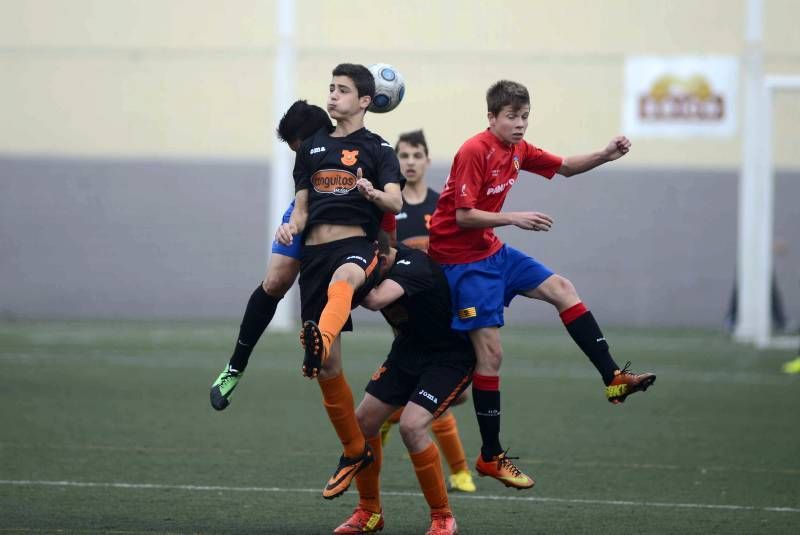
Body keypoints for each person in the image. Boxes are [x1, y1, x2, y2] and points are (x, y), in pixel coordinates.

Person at [427, 80, 656, 489]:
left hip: (492, 251)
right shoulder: (473, 150)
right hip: (461, 263)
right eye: (512, 117)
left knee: (562, 289)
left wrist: (605, 154)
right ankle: (490, 455)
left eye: (525, 116)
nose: (520, 124)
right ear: (492, 117)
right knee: (491, 356)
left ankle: (612, 379)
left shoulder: (519, 150)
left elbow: (565, 166)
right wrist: (514, 217)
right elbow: (463, 216)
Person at [209, 100, 397, 411]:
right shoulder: (309, 159)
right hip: (306, 214)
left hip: (351, 229)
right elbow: (300, 207)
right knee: (275, 281)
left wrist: (387, 241)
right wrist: (290, 228)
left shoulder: (365, 150)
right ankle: (235, 367)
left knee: (372, 289)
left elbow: (387, 202)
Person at [275, 63, 404, 499]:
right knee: (330, 371)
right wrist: (289, 226)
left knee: (345, 280)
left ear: (365, 101)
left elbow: (396, 198)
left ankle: (320, 340)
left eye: (342, 90)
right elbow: (303, 206)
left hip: (356, 246)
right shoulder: (310, 147)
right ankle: (353, 450)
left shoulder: (379, 147)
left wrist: (373, 194)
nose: (332, 96)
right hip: (314, 253)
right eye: (331, 88)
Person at [332, 235, 470, 535]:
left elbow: (374, 300)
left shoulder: (413, 264)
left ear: (380, 258)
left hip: (449, 357)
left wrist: (341, 284)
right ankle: (369, 512)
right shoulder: (381, 265)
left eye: (366, 266)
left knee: (411, 426)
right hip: (408, 351)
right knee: (362, 421)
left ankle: (443, 517)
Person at [379, 129, 477, 494]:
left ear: (427, 160)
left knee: (456, 393)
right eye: (403, 156)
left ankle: (390, 418)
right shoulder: (390, 208)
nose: (409, 162)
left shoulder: (442, 206)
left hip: (445, 311)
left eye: (416, 155)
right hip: (405, 314)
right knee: (427, 393)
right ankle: (461, 473)